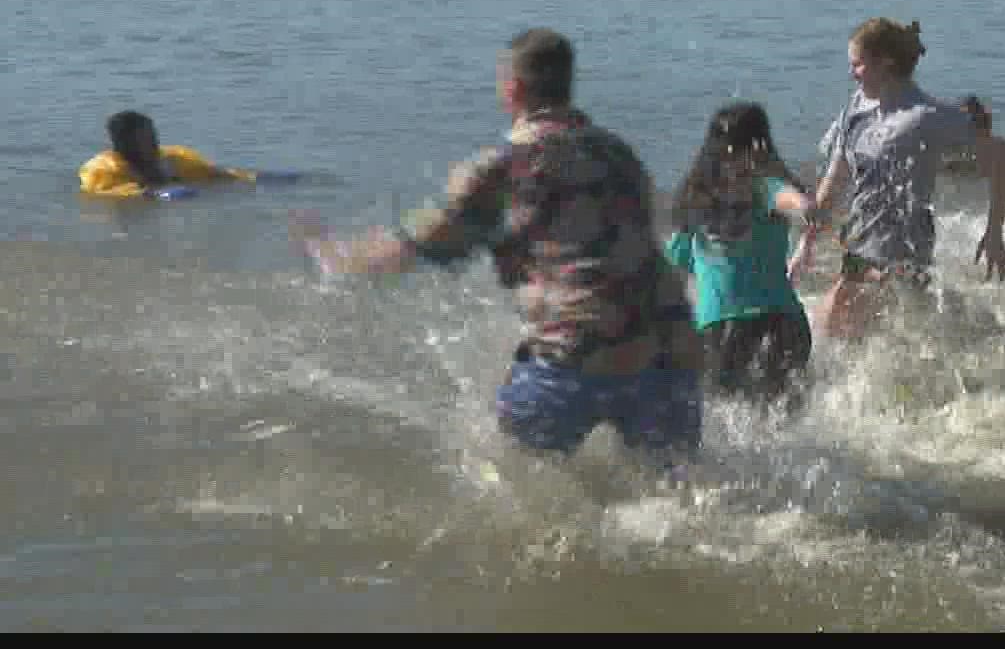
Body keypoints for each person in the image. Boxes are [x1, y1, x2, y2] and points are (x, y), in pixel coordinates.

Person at [290, 29, 702, 472]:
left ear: (512, 89)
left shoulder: (502, 168)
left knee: (499, 474)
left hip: (571, 357)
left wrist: (332, 254)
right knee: (680, 491)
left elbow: (417, 244)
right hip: (668, 355)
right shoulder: (621, 154)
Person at [804, 18, 1005, 340]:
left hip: (902, 246)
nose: (852, 73)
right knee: (873, 335)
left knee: (835, 330)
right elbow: (835, 179)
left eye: (858, 64)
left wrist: (994, 233)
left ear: (886, 63)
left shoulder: (927, 116)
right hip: (859, 240)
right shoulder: (856, 108)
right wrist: (806, 245)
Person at [664, 101, 822, 412]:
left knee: (744, 429)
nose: (733, 156)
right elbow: (672, 271)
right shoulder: (705, 199)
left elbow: (787, 198)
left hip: (755, 328)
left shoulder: (753, 188)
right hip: (747, 327)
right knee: (768, 426)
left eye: (738, 148)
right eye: (729, 148)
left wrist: (804, 208)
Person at [77, 110, 285, 199]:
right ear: (123, 142)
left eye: (153, 135)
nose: (154, 143)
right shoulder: (102, 169)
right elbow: (106, 193)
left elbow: (209, 174)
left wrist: (252, 178)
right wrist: (152, 195)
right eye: (145, 138)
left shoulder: (171, 159)